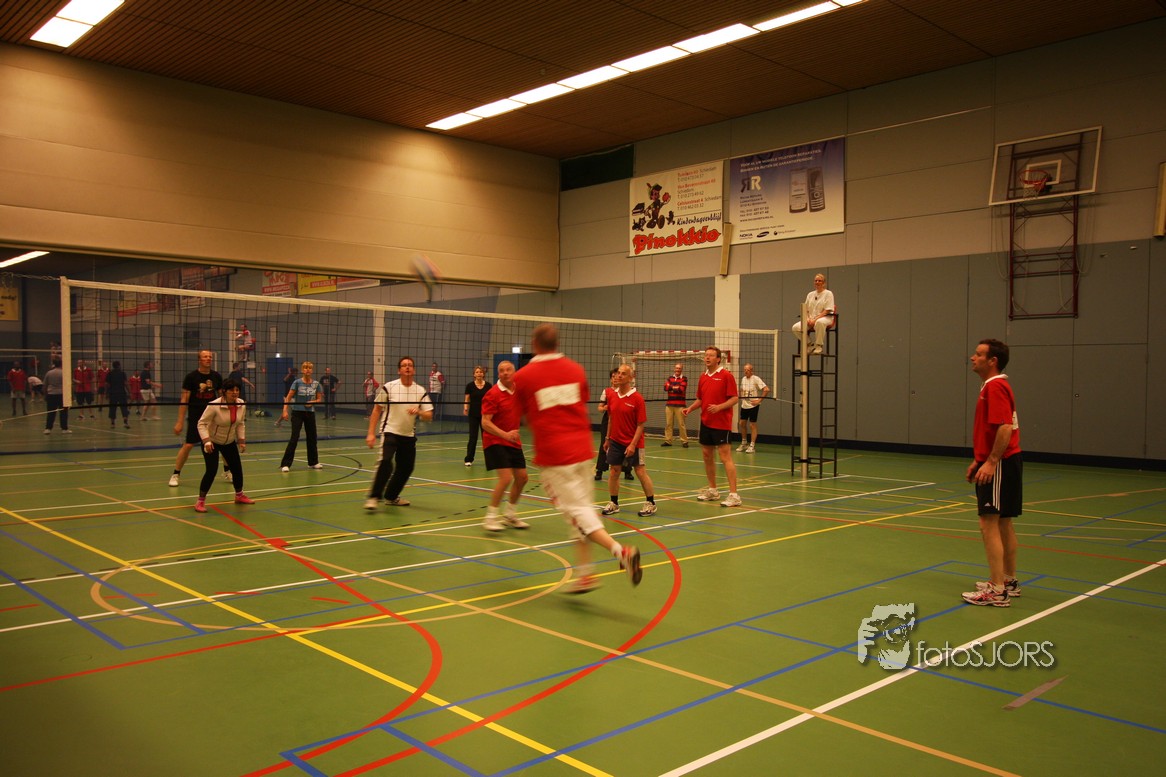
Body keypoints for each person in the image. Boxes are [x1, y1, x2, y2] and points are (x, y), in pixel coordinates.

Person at [511, 323, 642, 594]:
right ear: (557, 344)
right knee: (578, 512)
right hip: (583, 451)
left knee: (579, 513)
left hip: (556, 457)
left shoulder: (523, 377)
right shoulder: (576, 370)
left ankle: (622, 552)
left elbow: (520, 416)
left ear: (535, 345)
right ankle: (585, 574)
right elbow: (579, 402)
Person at [963, 339, 1023, 608]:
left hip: (1001, 463)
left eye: (978, 354)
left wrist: (990, 462)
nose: (972, 357)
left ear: (992, 361)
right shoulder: (994, 386)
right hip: (1005, 461)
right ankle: (1008, 580)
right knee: (1003, 522)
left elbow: (1004, 427)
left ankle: (997, 590)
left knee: (988, 522)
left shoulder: (995, 386)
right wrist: (979, 460)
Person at [365, 356, 432, 509]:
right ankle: (374, 497)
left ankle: (391, 496)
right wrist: (371, 433)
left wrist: (419, 412)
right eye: (404, 365)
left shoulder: (420, 390)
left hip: (408, 435)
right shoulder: (389, 387)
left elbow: (429, 415)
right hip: (390, 431)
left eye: (410, 365)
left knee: (407, 467)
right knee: (386, 462)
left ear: (414, 370)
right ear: (399, 370)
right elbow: (376, 410)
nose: (407, 367)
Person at [684, 347, 742, 507]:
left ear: (718, 359)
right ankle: (713, 490)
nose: (707, 358)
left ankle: (734, 495)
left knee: (725, 457)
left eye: (711, 355)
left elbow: (734, 398)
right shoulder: (703, 377)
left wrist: (719, 407)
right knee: (707, 455)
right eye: (706, 355)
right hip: (706, 422)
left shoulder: (726, 375)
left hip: (722, 423)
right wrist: (690, 408)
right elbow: (701, 399)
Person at [601, 364, 658, 518]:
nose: (619, 376)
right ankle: (614, 503)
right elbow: (611, 419)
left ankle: (651, 503)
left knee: (640, 471)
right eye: (618, 373)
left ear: (631, 377)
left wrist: (632, 444)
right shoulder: (612, 395)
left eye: (623, 374)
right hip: (615, 441)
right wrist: (607, 439)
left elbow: (640, 425)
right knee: (614, 471)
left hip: (634, 442)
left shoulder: (637, 398)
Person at [479, 360, 529, 531]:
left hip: (512, 440)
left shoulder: (519, 391)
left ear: (514, 372)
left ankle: (510, 515)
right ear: (498, 374)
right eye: (502, 370)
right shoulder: (492, 394)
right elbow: (485, 423)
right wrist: (504, 434)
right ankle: (490, 518)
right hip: (494, 440)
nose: (505, 372)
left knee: (522, 478)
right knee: (506, 478)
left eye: (508, 369)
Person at [194, 378, 254, 512]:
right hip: (212, 442)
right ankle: (200, 501)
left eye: (237, 390)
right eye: (231, 390)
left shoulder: (241, 404)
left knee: (237, 468)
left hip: (229, 441)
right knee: (211, 470)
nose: (235, 392)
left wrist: (241, 440)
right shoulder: (214, 405)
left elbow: (240, 423)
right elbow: (201, 423)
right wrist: (206, 441)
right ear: (224, 392)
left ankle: (239, 495)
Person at [170, 350, 223, 486]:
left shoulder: (216, 376)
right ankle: (176, 474)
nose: (208, 358)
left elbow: (222, 397)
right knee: (188, 445)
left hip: (213, 417)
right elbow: (184, 399)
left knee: (223, 444)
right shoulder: (191, 377)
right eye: (205, 356)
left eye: (210, 357)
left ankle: (227, 471)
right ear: (199, 359)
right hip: (196, 417)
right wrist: (180, 421)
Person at [279, 361, 324, 472]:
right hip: (297, 412)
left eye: (309, 368)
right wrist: (285, 411)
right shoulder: (297, 382)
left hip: (310, 413)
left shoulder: (316, 384)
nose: (307, 369)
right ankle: (285, 464)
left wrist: (312, 402)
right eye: (305, 368)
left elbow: (319, 399)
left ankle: (313, 462)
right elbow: (288, 397)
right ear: (302, 370)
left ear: (312, 370)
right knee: (294, 437)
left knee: (312, 437)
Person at [790, 273, 835, 356]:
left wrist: (815, 319)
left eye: (819, 281)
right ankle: (810, 344)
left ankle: (818, 345)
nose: (817, 282)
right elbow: (805, 309)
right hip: (810, 319)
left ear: (824, 283)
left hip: (825, 318)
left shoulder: (828, 294)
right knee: (795, 328)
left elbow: (827, 310)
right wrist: (807, 319)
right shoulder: (810, 294)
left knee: (819, 322)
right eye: (816, 281)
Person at [736, 363, 770, 453]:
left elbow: (766, 389)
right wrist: (741, 396)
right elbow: (742, 389)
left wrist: (759, 401)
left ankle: (752, 445)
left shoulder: (756, 379)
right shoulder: (743, 379)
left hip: (753, 405)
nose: (746, 371)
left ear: (752, 371)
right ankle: (744, 443)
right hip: (744, 405)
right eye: (745, 370)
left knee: (752, 425)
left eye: (748, 370)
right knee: (742, 423)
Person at [462, 365, 491, 466]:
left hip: (485, 415)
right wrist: (465, 408)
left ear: (483, 374)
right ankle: (469, 459)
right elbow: (467, 399)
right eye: (477, 372)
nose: (479, 374)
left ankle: (489, 459)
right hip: (473, 415)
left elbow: (491, 399)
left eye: (481, 372)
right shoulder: (470, 386)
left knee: (486, 437)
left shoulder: (488, 386)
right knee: (473, 437)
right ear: (474, 374)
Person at [662, 362, 689, 447]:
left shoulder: (684, 379)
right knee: (668, 424)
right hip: (669, 405)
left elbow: (681, 389)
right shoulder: (670, 378)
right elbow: (665, 387)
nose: (678, 370)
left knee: (681, 424)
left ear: (681, 370)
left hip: (680, 405)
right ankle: (668, 441)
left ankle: (684, 441)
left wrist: (671, 387)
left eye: (679, 368)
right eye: (676, 368)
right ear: (674, 369)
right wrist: (675, 387)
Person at [42, 358, 71, 434]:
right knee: (63, 412)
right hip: (62, 395)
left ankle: (48, 429)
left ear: (54, 364)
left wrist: (45, 395)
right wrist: (70, 396)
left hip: (51, 395)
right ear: (61, 364)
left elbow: (45, 385)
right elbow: (68, 385)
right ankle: (64, 429)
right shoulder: (64, 373)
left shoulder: (49, 373)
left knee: (51, 412)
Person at [105, 360, 131, 428]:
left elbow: (107, 384)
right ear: (119, 366)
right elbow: (126, 383)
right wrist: (130, 392)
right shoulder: (122, 373)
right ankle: (125, 422)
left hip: (112, 393)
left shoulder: (109, 373)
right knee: (124, 407)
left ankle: (112, 423)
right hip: (121, 393)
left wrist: (106, 393)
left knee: (112, 408)